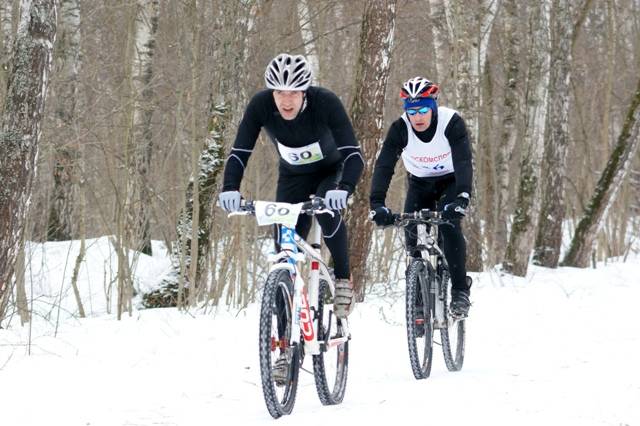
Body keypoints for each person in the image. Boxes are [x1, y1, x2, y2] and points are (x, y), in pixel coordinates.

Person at [218, 53, 363, 319]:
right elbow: (239, 152)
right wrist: (230, 187)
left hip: (331, 172)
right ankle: (285, 333)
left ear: (305, 92)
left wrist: (344, 188)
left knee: (326, 213)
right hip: (293, 177)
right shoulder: (260, 105)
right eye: (280, 93)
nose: (286, 100)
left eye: (294, 93)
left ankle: (343, 277)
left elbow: (353, 154)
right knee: (284, 245)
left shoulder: (326, 103)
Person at [369, 76, 473, 317]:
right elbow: (384, 165)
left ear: (434, 105)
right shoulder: (400, 129)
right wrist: (377, 203)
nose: (417, 117)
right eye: (411, 110)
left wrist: (463, 197)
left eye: (423, 109)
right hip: (419, 183)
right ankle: (418, 300)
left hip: (451, 181)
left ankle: (459, 291)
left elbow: (464, 161)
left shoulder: (451, 122)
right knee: (413, 233)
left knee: (449, 226)